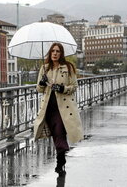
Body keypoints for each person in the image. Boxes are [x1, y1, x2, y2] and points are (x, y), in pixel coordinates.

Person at [34, 42, 83, 176]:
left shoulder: (68, 67)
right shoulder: (44, 68)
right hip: (48, 108)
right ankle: (61, 159)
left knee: (59, 132)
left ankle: (60, 163)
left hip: (63, 108)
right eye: (53, 51)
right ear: (50, 53)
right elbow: (39, 89)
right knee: (56, 134)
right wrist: (42, 83)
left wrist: (62, 88)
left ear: (61, 54)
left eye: (58, 51)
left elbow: (74, 86)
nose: (55, 53)